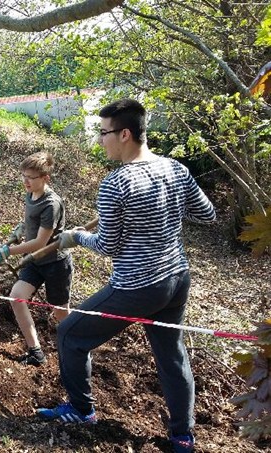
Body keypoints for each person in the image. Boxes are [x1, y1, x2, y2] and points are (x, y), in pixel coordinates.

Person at [35, 99, 215, 453]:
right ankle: (182, 436)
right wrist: (164, 212)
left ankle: (82, 410)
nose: (100, 141)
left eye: (103, 133)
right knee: (171, 355)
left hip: (138, 286)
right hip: (176, 278)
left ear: (125, 134)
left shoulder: (116, 183)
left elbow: (108, 245)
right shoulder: (175, 169)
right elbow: (206, 214)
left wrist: (74, 237)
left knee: (70, 333)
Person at [0, 151, 73, 366]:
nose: (25, 181)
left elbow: (40, 243)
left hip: (54, 262)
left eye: (31, 177)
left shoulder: (51, 205)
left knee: (61, 313)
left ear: (45, 178)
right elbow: (30, 222)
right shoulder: (31, 194)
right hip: (35, 262)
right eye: (23, 175)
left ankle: (76, 349)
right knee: (17, 297)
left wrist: (7, 252)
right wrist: (21, 229)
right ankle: (36, 352)